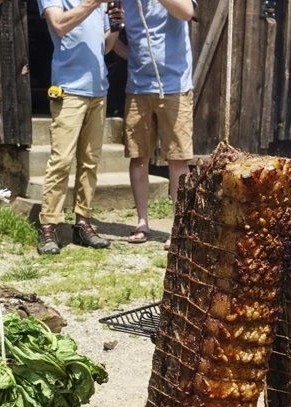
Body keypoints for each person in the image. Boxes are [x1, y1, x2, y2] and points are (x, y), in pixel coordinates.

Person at [36, 0, 123, 255]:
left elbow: (105, 47)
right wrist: (93, 3)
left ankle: (83, 223)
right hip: (68, 90)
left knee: (90, 161)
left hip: (98, 90)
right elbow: (59, 25)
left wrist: (116, 27)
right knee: (61, 160)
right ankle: (48, 226)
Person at [113, 0, 194, 244]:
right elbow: (118, 41)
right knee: (138, 157)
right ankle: (142, 223)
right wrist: (119, 43)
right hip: (138, 87)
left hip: (175, 87)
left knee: (178, 159)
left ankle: (179, 228)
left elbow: (186, 12)